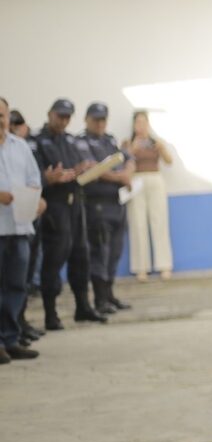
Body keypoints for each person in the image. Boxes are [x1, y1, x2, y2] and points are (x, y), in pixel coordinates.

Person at [34, 98, 105, 328]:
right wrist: (48, 179)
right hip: (54, 204)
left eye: (67, 117)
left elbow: (75, 168)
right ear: (49, 114)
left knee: (80, 256)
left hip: (75, 203)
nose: (63, 121)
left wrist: (82, 170)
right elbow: (32, 177)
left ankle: (82, 306)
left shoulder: (70, 140)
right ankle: (50, 313)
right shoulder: (37, 142)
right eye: (60, 116)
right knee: (55, 258)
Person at [0, 97, 44, 363]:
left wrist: (36, 200)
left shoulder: (21, 147)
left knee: (17, 286)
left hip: (20, 227)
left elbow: (33, 180)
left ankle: (11, 339)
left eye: (2, 114)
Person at [80, 103, 133, 314]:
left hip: (116, 202)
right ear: (87, 120)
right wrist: (120, 177)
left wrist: (128, 171)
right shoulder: (81, 142)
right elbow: (94, 169)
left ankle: (109, 295)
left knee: (115, 251)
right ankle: (100, 299)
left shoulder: (109, 140)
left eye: (103, 119)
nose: (100, 123)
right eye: (96, 120)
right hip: (97, 204)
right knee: (100, 252)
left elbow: (128, 158)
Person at [124, 110, 174, 281]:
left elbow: (169, 161)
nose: (141, 126)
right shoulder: (128, 143)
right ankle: (141, 268)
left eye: (144, 122)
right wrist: (132, 149)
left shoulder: (155, 142)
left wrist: (162, 148)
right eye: (138, 122)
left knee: (159, 220)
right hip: (136, 180)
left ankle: (164, 265)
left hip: (155, 179)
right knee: (138, 223)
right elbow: (121, 161)